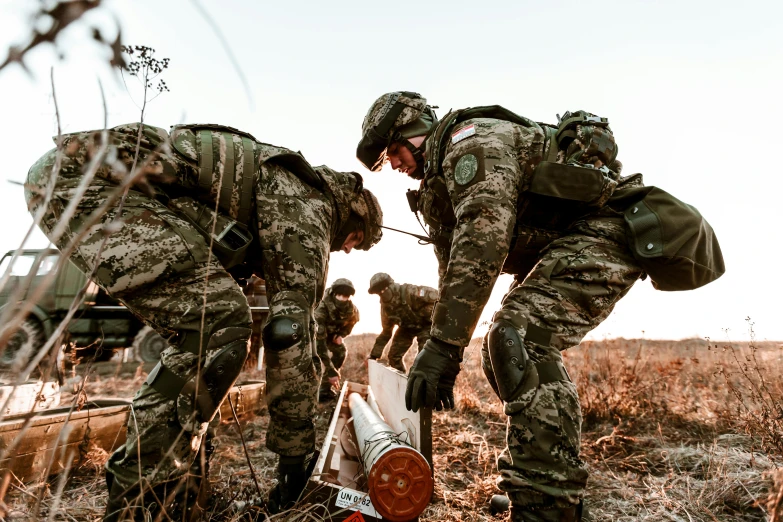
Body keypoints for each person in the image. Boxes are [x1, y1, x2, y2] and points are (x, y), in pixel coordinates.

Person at [356, 92, 723, 521]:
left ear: (415, 130)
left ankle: (548, 506)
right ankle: (540, 487)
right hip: (570, 242)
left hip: (608, 229)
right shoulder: (439, 185)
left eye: (394, 151)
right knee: (503, 351)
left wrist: (443, 345)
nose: (395, 165)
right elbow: (455, 268)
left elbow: (482, 242)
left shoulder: (471, 144)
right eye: (386, 161)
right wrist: (445, 349)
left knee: (519, 341)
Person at [24, 122, 382, 520]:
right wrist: (295, 458)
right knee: (219, 325)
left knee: (214, 334)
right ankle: (142, 506)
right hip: (87, 183)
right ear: (352, 214)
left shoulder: (286, 190)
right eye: (355, 241)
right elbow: (289, 333)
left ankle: (182, 499)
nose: (348, 251)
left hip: (87, 181)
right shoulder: (308, 206)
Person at [367, 272, 437, 373]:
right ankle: (401, 382)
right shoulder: (386, 308)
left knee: (423, 358)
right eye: (379, 292)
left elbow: (437, 298)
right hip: (406, 328)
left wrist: (427, 314)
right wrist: (374, 355)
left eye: (384, 289)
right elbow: (386, 332)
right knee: (393, 357)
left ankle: (420, 384)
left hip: (426, 325)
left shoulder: (409, 291)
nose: (382, 293)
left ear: (390, 285)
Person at [314, 278, 360, 401]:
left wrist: (340, 335)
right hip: (312, 335)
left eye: (345, 296)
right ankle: (309, 391)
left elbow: (351, 324)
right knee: (313, 360)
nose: (342, 299)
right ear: (334, 294)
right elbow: (319, 345)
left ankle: (324, 389)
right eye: (339, 295)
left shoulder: (352, 310)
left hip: (331, 335)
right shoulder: (321, 307)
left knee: (341, 351)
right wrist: (330, 370)